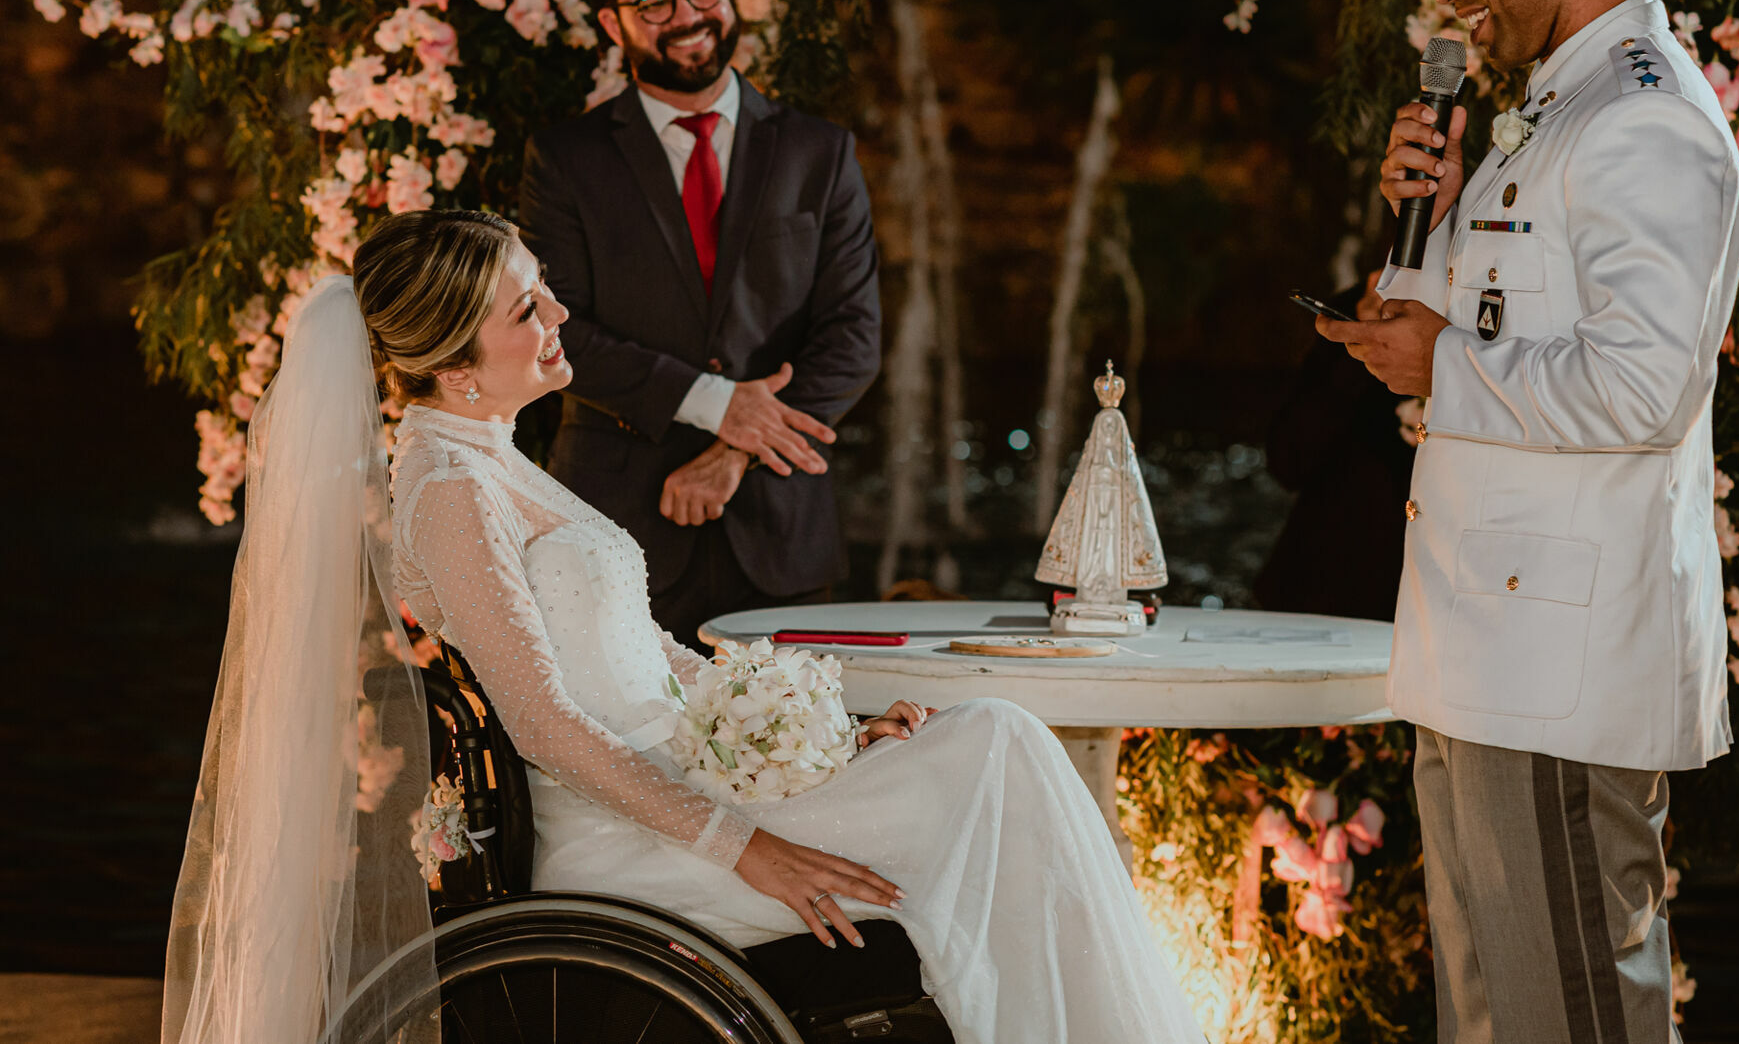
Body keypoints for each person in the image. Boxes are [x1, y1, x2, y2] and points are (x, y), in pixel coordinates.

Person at [165, 208, 1207, 1044]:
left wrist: (834, 741)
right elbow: (544, 724)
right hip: (629, 845)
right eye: (527, 307)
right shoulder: (448, 490)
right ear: (455, 368)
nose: (559, 313)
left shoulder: (491, 458)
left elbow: (648, 662)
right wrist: (749, 847)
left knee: (988, 744)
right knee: (1000, 751)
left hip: (683, 790)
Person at [1315, 0, 1739, 1044]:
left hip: (1560, 671)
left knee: (1570, 1018)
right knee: (1497, 1020)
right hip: (1485, 658)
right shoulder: (1544, 117)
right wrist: (1429, 221)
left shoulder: (1645, 116)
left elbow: (1641, 386)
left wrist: (1444, 358)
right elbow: (1464, 339)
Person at [519, 0, 881, 649]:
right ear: (613, 23)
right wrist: (716, 403)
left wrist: (735, 451)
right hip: (616, 534)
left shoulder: (821, 152)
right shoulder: (565, 161)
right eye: (654, 0)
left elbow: (854, 337)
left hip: (782, 538)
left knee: (799, 759)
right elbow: (561, 331)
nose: (687, 15)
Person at [1254, 273, 1413, 621]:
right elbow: (1287, 461)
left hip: (1431, 596)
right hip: (1324, 588)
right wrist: (1358, 343)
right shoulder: (1350, 309)